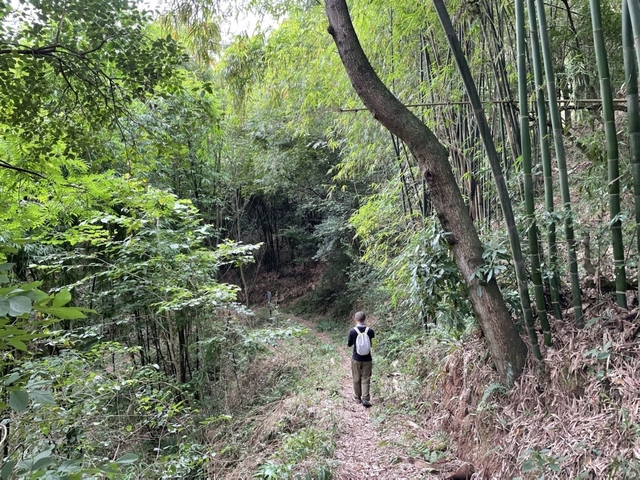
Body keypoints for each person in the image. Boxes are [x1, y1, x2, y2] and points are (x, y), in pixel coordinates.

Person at [347, 311, 375, 408]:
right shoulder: (370, 331)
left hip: (356, 358)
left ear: (355, 319)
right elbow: (372, 344)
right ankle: (365, 398)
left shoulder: (352, 331)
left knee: (356, 378)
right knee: (366, 378)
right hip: (368, 358)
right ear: (365, 319)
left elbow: (349, 344)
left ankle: (357, 398)